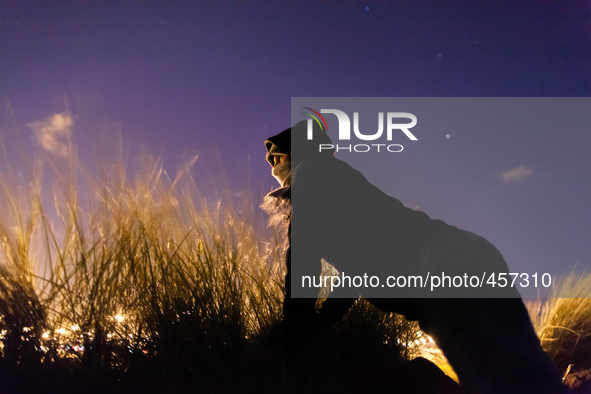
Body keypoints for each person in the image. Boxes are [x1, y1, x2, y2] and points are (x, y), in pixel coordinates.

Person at [263, 120, 570, 394]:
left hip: (440, 272)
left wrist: (293, 332)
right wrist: (318, 323)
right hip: (459, 259)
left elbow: (303, 259)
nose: (273, 165)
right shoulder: (338, 182)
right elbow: (357, 273)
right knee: (519, 382)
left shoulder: (311, 174)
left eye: (277, 157)